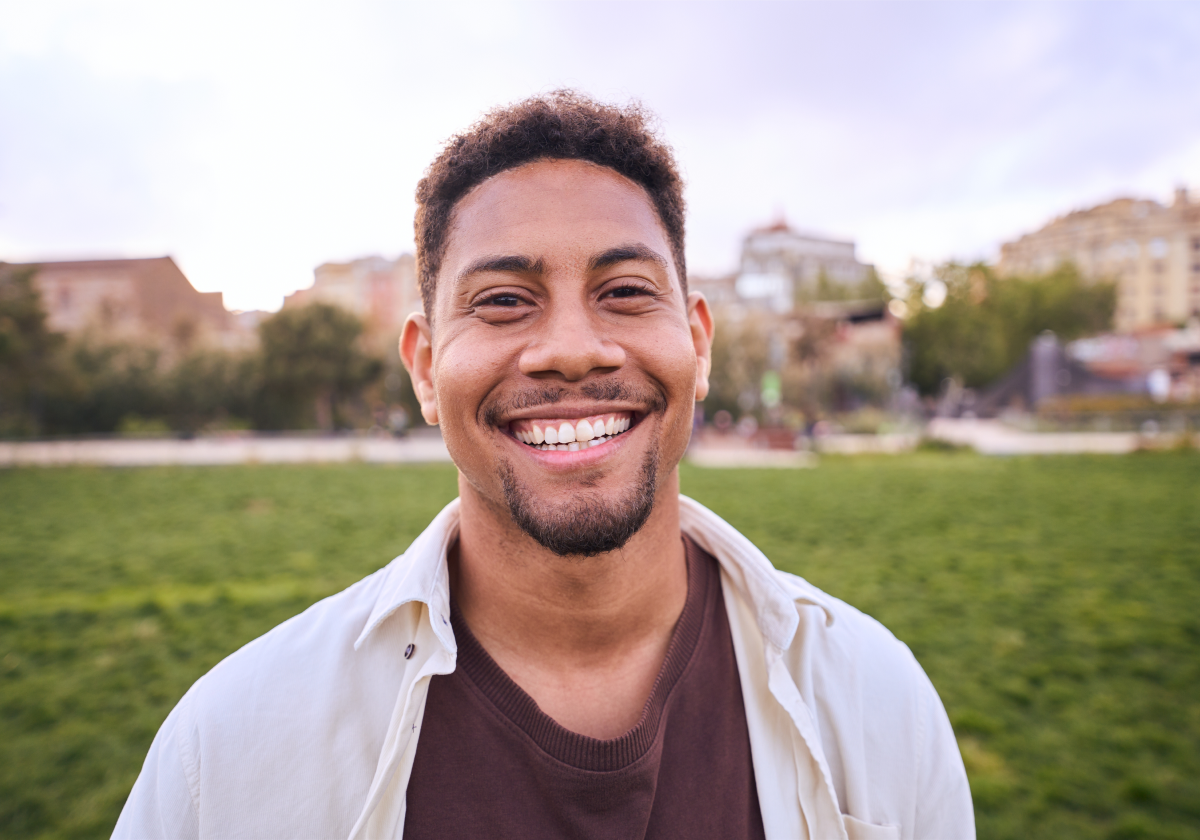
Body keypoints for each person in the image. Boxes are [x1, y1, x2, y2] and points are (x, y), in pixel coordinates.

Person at [114, 91, 974, 840]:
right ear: (422, 366)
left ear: (698, 344)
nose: (570, 349)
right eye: (503, 302)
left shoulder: (876, 699)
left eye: (626, 291)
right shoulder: (227, 751)